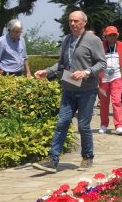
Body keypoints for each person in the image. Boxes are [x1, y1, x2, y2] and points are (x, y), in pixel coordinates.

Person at [31, 10, 105, 173]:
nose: (72, 24)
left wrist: (86, 72)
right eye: (70, 21)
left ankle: (87, 157)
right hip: (68, 88)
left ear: (84, 22)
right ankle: (52, 159)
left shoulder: (93, 40)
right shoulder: (67, 39)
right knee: (62, 123)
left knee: (83, 125)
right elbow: (62, 64)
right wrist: (47, 71)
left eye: (76, 21)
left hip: (87, 90)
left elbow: (102, 63)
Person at [97, 26, 122, 135]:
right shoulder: (100, 46)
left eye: (114, 35)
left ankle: (119, 125)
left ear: (117, 35)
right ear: (105, 36)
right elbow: (94, 62)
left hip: (117, 78)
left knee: (116, 101)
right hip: (103, 80)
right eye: (109, 35)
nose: (112, 37)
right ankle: (104, 124)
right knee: (104, 103)